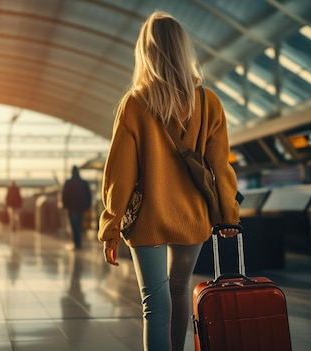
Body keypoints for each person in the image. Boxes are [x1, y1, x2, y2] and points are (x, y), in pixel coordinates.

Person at [97, 11, 241, 351]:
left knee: (155, 305)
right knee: (180, 292)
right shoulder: (208, 103)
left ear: (146, 53)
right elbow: (220, 167)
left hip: (147, 218)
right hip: (192, 217)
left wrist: (111, 225)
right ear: (182, 50)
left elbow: (119, 172)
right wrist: (229, 215)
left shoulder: (135, 103)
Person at [62, 165, 92, 249]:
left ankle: (76, 243)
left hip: (71, 208)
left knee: (74, 225)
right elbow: (88, 195)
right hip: (81, 207)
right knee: (79, 225)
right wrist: (87, 205)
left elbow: (64, 195)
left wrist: (65, 205)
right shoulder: (84, 183)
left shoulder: (68, 182)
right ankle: (78, 242)